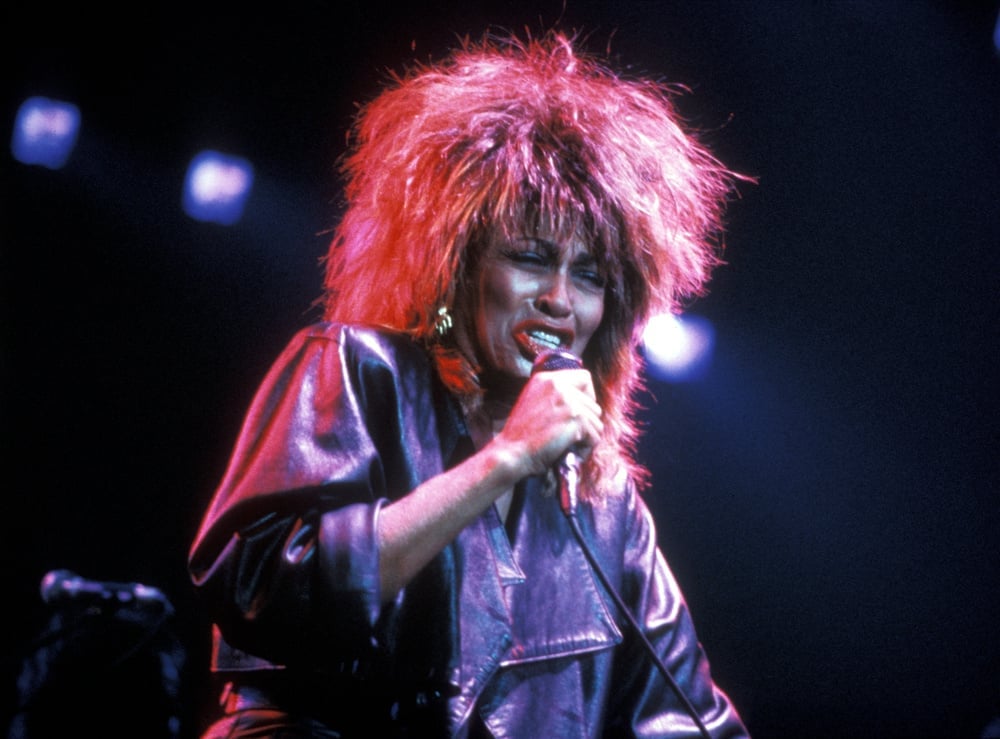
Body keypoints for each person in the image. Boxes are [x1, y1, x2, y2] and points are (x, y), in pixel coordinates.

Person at [188, 28, 751, 738]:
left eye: (589, 275)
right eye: (530, 257)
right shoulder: (357, 372)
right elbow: (263, 590)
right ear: (456, 264)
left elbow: (689, 719)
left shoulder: (606, 507)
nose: (559, 298)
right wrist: (503, 460)